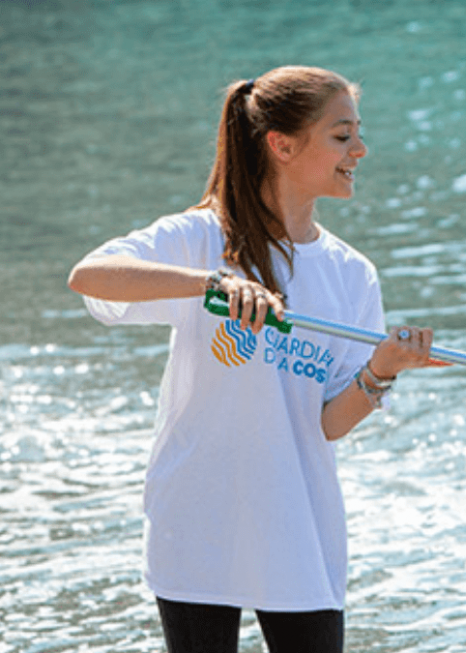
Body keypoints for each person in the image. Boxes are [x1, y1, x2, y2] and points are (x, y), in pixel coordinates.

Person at [68, 66, 436, 653]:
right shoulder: (199, 238)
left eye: (356, 135)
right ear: (282, 144)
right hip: (197, 518)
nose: (360, 150)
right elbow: (90, 277)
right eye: (342, 136)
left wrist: (382, 369)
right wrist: (207, 282)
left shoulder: (352, 274)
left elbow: (328, 424)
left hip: (298, 527)